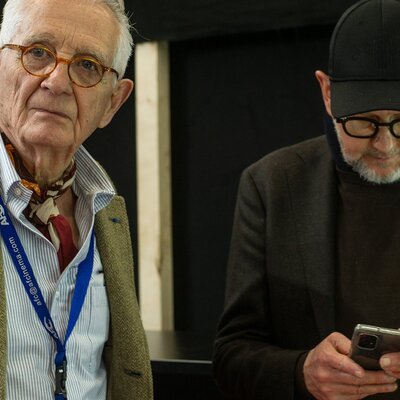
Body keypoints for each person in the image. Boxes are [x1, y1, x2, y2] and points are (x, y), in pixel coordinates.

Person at [213, 0, 400, 398]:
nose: (385, 145)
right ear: (328, 93)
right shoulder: (272, 184)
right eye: (364, 122)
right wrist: (301, 372)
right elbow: (231, 356)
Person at [0, 0, 153, 399]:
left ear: (114, 102)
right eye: (37, 53)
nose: (57, 81)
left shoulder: (105, 209)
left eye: (87, 65)